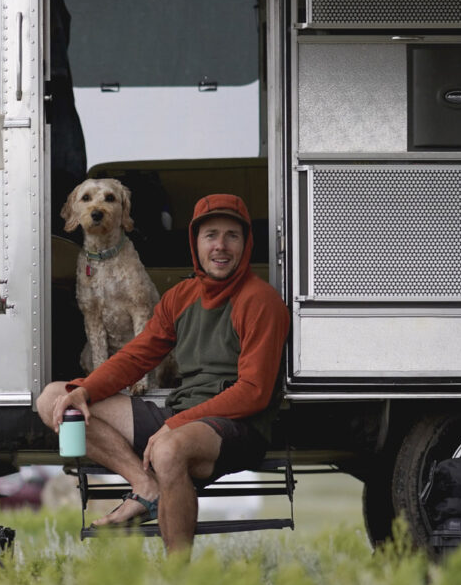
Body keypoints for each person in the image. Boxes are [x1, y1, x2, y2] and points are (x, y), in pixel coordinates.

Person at [37, 193, 290, 553]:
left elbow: (253, 392)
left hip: (238, 425)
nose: (220, 246)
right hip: (183, 413)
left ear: (245, 243)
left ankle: (177, 575)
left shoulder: (261, 301)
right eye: (211, 235)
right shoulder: (181, 296)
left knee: (168, 450)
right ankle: (146, 487)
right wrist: (84, 390)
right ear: (195, 242)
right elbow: (136, 356)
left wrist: (174, 425)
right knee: (54, 399)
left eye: (232, 236)